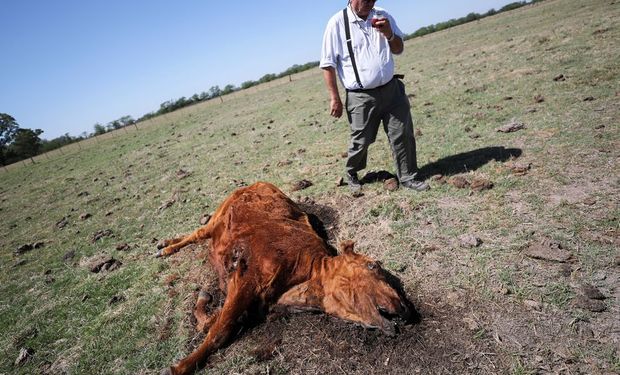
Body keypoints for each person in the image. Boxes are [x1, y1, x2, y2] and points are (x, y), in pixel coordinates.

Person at [320, 0, 429, 192]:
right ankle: (352, 172)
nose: (370, 3)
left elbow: (398, 49)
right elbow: (328, 64)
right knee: (361, 140)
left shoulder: (382, 15)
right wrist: (334, 98)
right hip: (361, 97)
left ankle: (408, 177)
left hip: (392, 90)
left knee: (402, 134)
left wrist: (389, 33)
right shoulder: (336, 23)